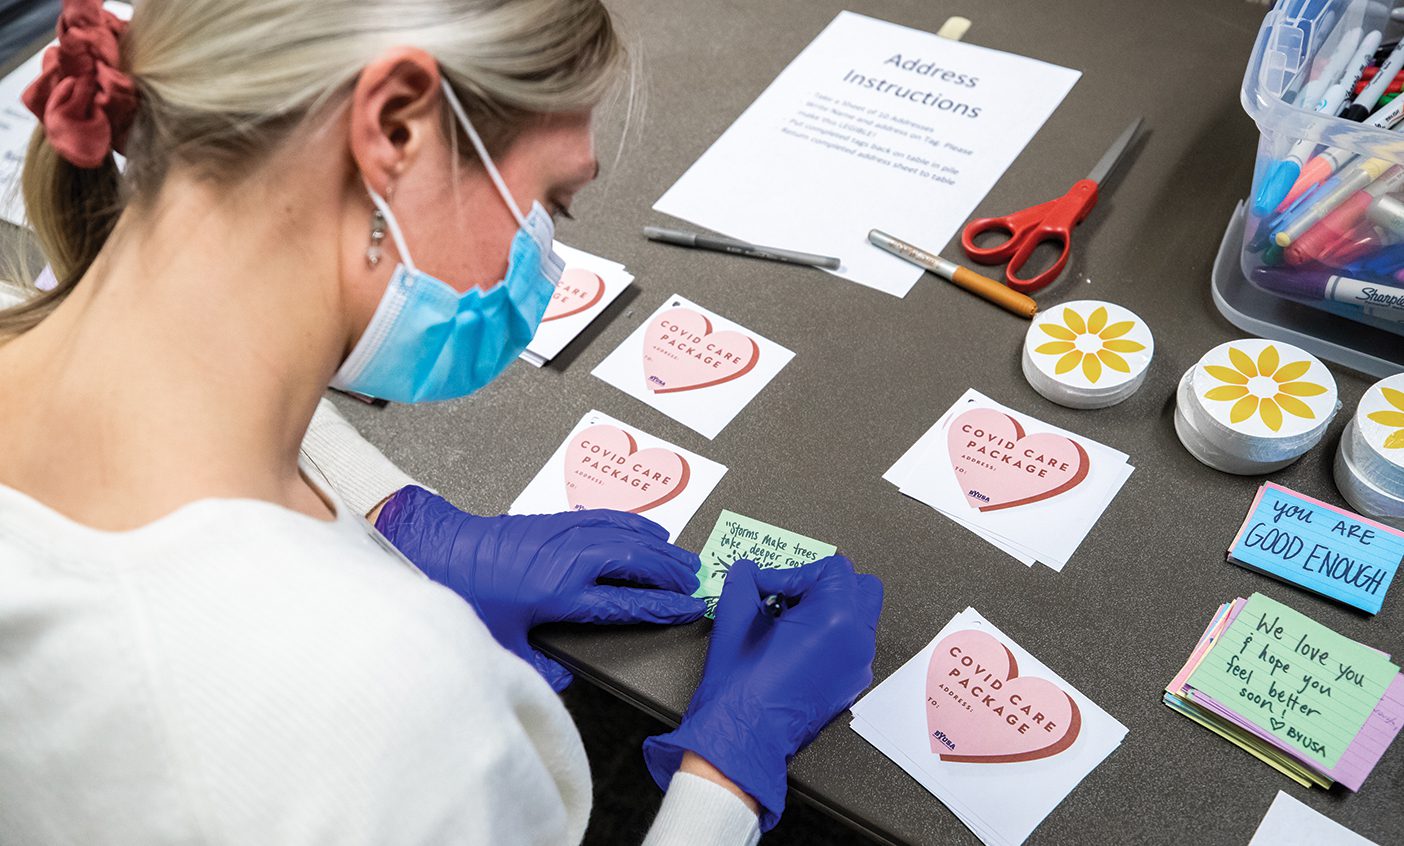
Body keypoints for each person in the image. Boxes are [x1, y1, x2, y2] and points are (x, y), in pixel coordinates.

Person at [0, 0, 885, 843]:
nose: (545, 256)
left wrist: (391, 515)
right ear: (395, 130)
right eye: (553, 204)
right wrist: (726, 773)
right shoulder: (397, 705)